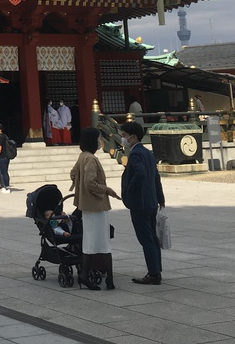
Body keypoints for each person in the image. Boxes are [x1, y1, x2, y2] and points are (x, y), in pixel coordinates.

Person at [70, 126, 120, 290]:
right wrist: (106, 190)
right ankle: (110, 280)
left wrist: (80, 189)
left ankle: (84, 275)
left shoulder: (82, 156)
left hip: (86, 206)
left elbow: (73, 174)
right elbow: (90, 182)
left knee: (90, 243)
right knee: (103, 243)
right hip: (97, 205)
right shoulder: (91, 159)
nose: (100, 142)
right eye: (98, 139)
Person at [120, 121, 164, 285]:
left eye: (124, 135)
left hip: (140, 202)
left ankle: (153, 273)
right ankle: (156, 270)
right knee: (152, 237)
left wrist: (130, 191)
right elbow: (155, 177)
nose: (122, 138)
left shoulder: (136, 154)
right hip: (151, 201)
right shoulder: (148, 152)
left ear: (133, 137)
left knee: (146, 238)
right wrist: (160, 197)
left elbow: (141, 173)